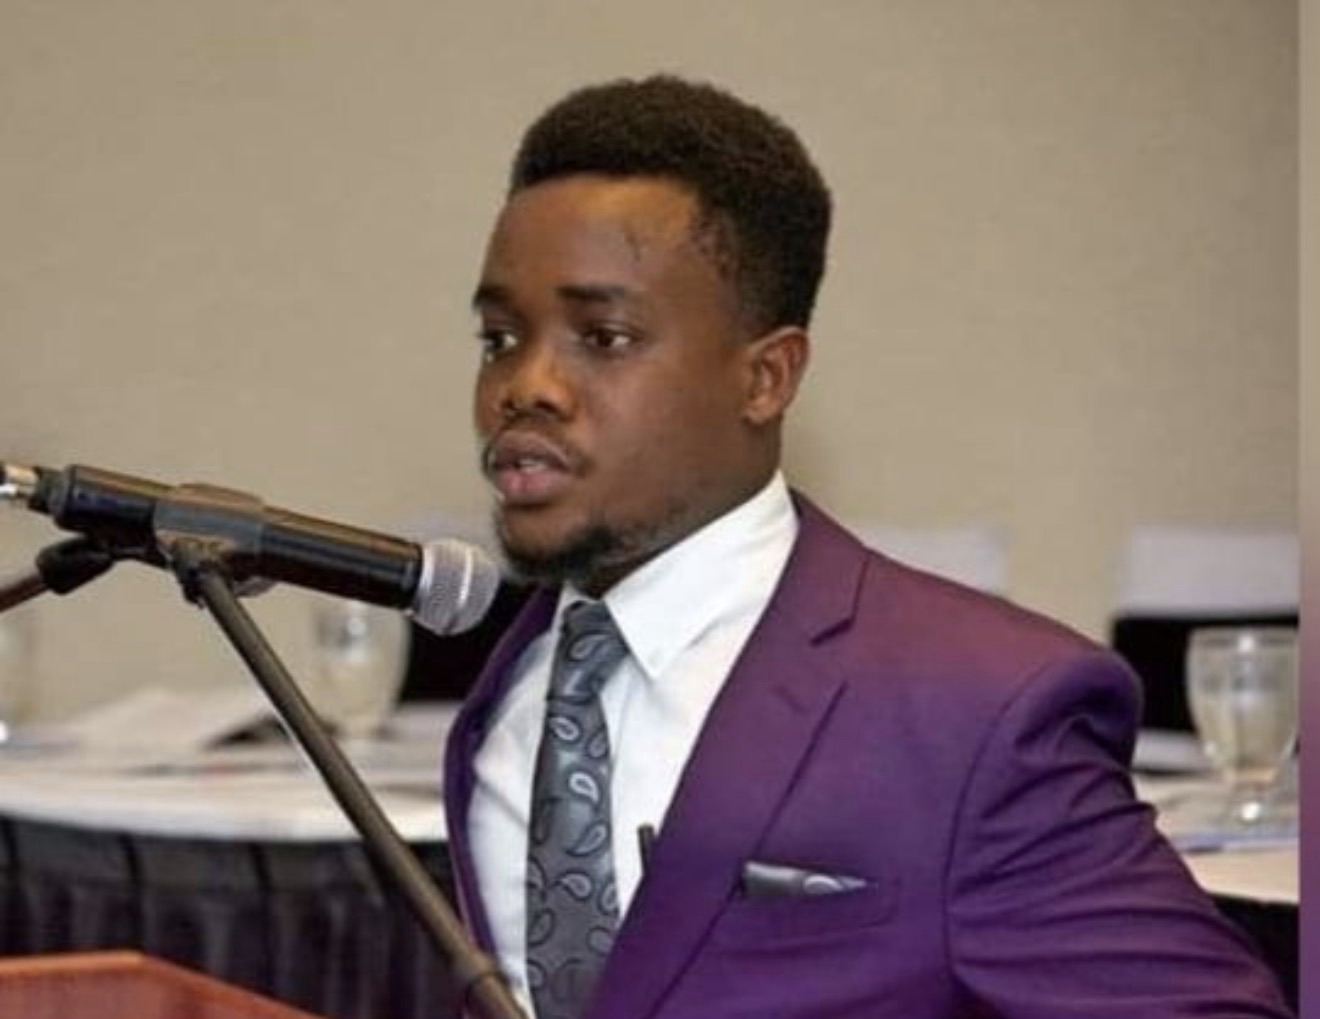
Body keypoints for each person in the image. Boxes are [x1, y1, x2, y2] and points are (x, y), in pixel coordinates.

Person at [442, 75, 1291, 1019]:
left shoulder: (980, 709)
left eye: (603, 336)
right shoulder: (511, 693)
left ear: (766, 377)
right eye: (499, 337)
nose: (526, 385)